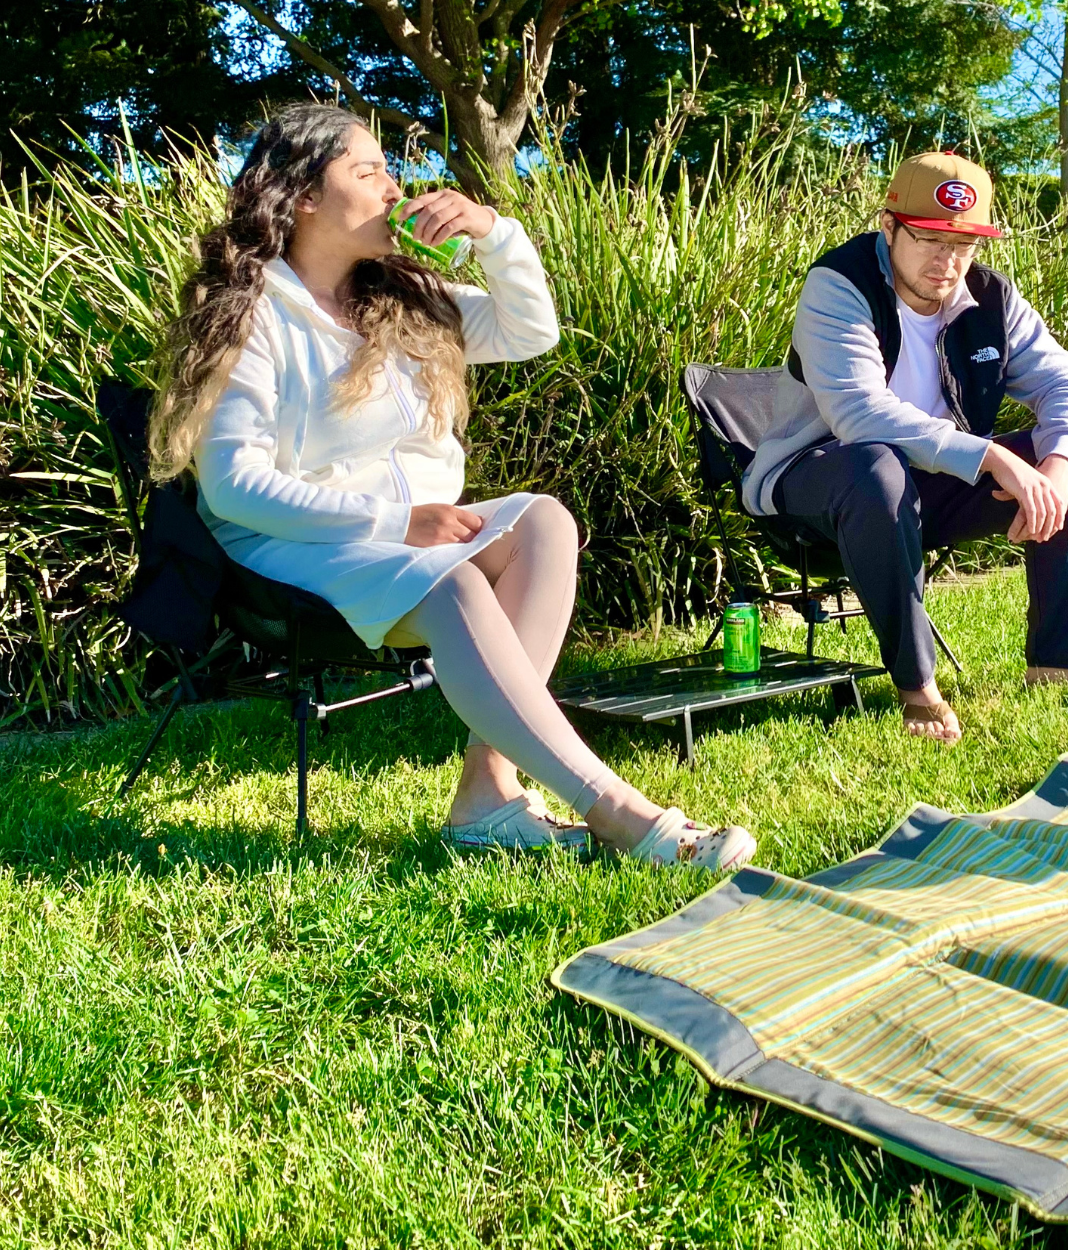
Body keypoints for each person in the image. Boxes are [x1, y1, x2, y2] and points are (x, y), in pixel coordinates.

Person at [147, 102, 754, 869]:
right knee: (458, 587)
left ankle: (488, 791)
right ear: (304, 196)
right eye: (368, 172)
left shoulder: (399, 295)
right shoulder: (257, 311)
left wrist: (493, 232)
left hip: (404, 530)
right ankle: (622, 814)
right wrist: (397, 521)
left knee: (545, 524)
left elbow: (531, 332)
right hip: (284, 544)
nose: (394, 187)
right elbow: (235, 490)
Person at [742, 151, 1068, 744]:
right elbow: (858, 413)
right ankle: (917, 689)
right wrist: (993, 457)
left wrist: (1057, 469)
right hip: (817, 484)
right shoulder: (838, 286)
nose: (948, 262)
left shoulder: (992, 299)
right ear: (888, 226)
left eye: (965, 244)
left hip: (929, 485)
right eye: (929, 239)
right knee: (875, 466)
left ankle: (1059, 664)